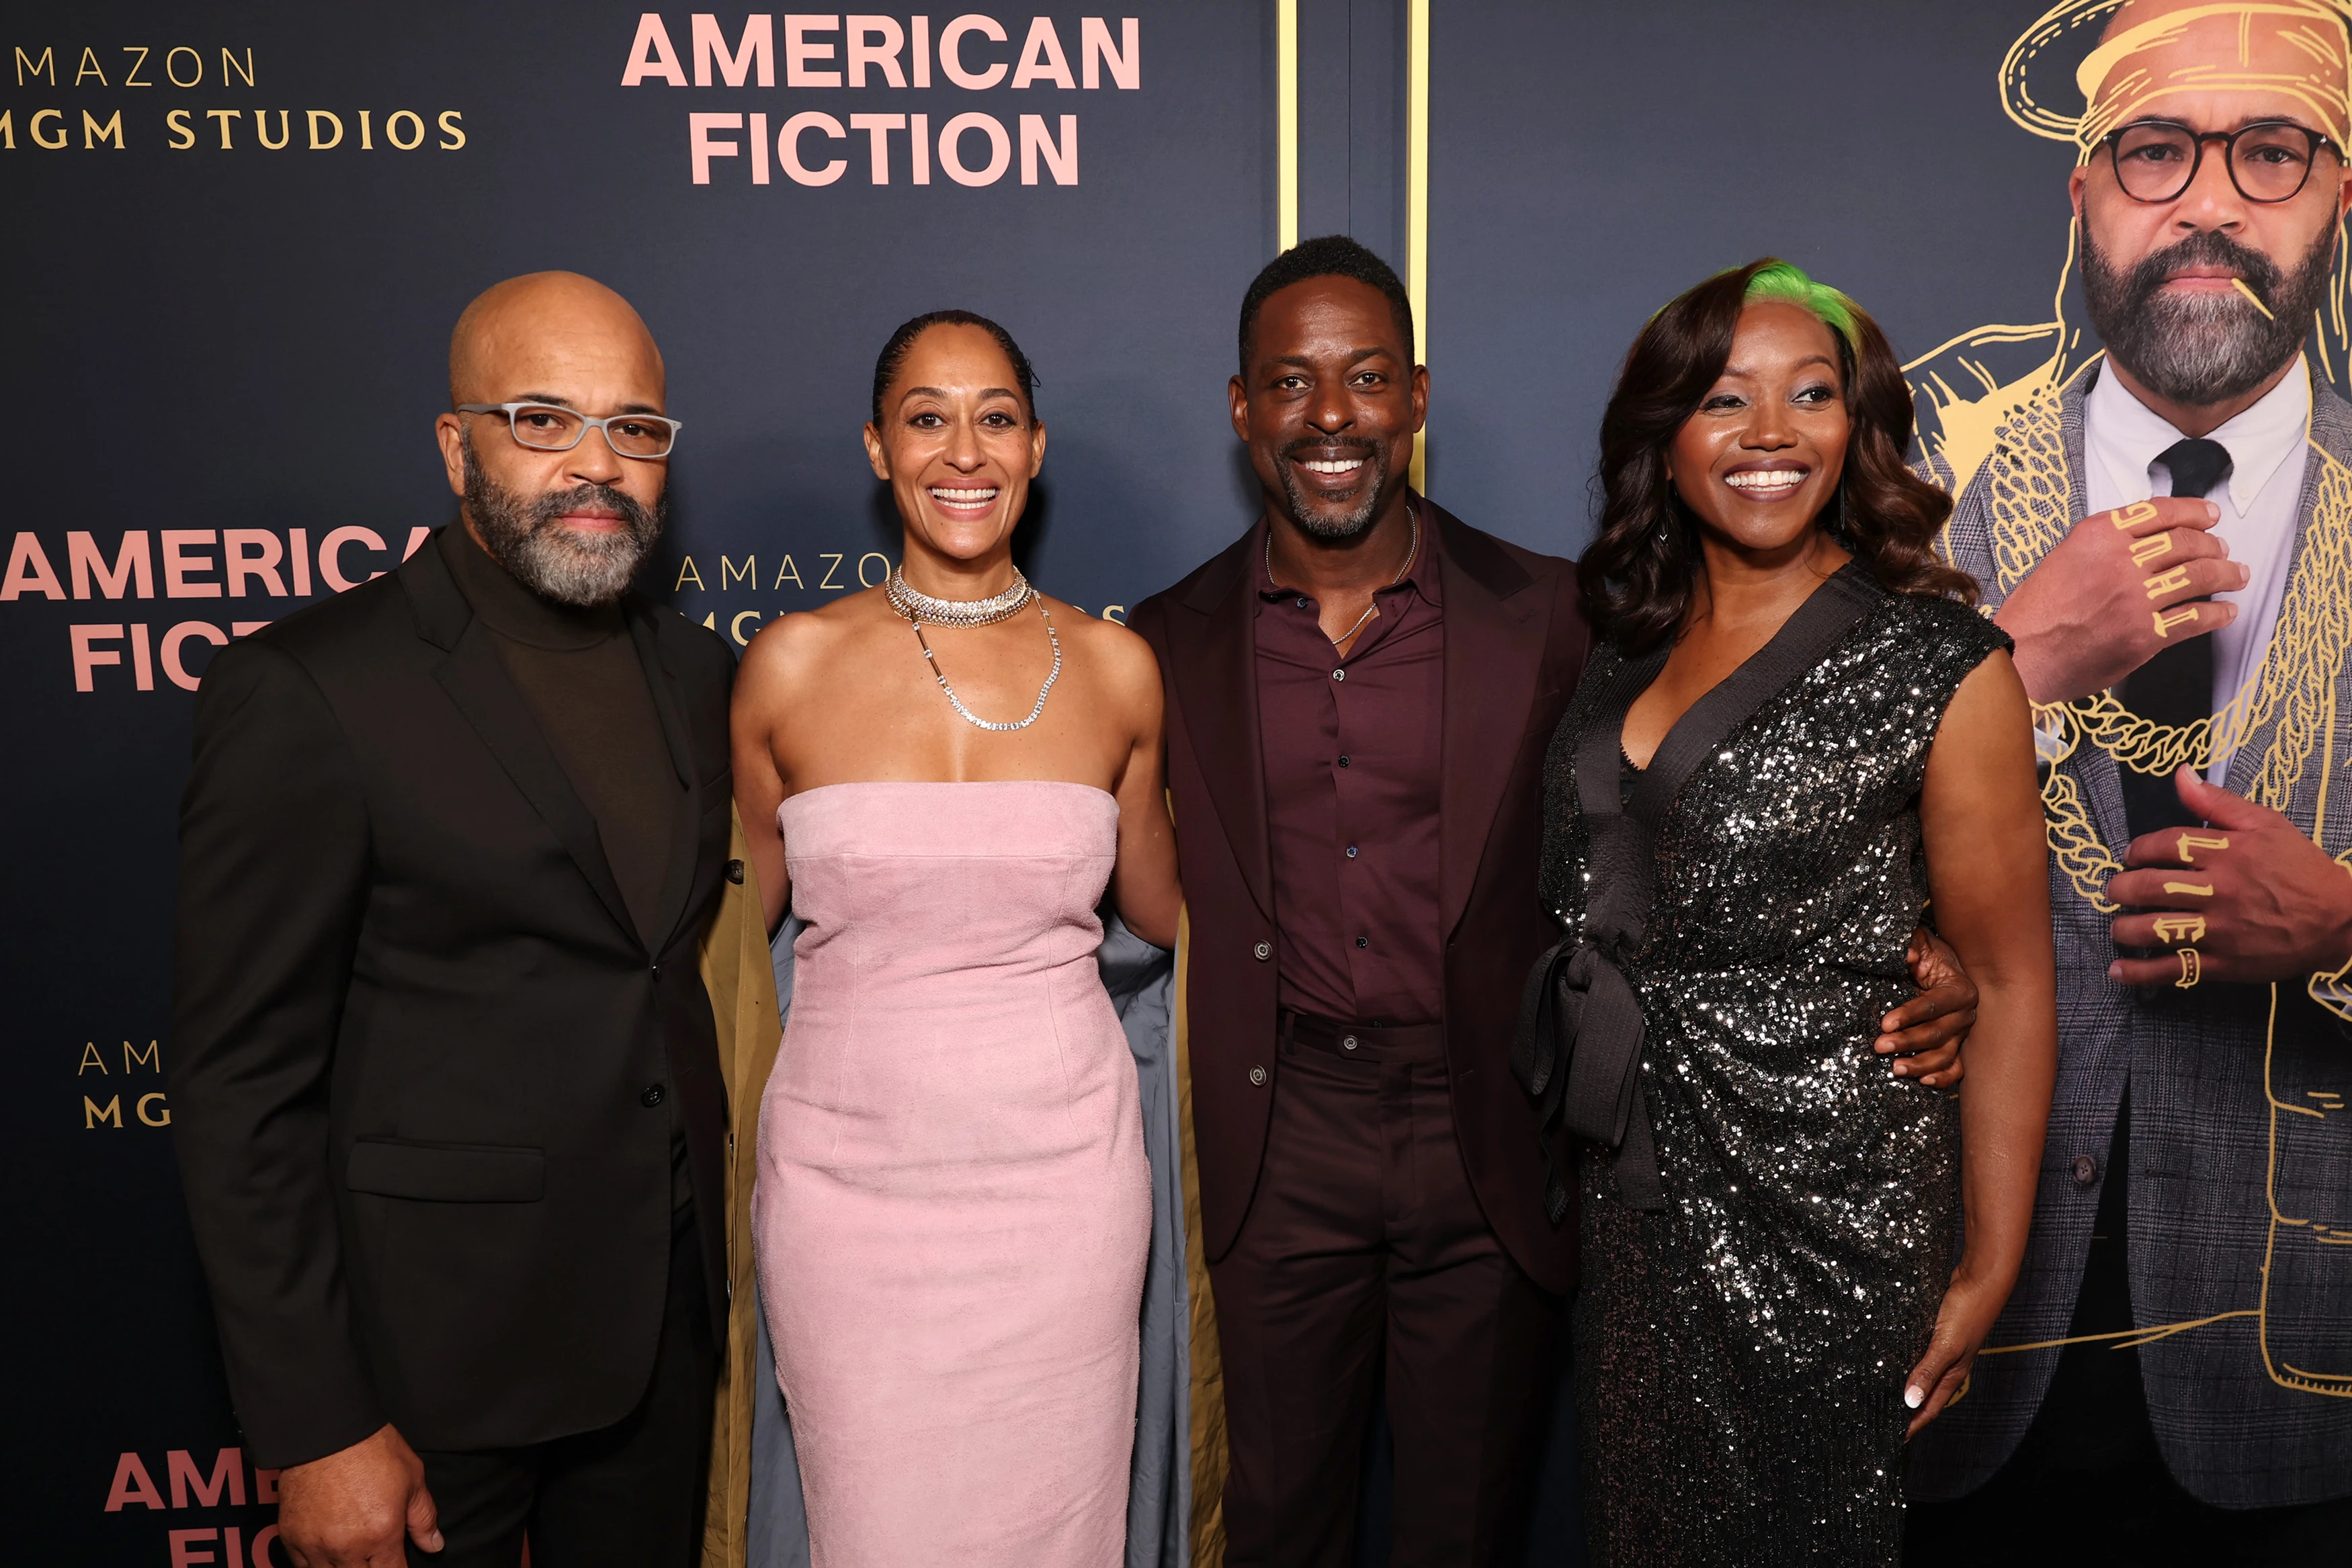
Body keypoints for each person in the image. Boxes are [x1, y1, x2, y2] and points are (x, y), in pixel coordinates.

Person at [1125, 236, 1984, 1568]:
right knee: (1275, 1532)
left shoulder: (1559, 619)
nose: (1330, 414)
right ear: (1242, 410)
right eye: (1290, 383)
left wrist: (1909, 940)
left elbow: (1694, 803)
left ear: (1413, 396)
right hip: (1277, 1145)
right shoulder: (1158, 643)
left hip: (1498, 1144)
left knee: (1468, 1532)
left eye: (1362, 379)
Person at [173, 271, 756, 1567]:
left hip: (665, 1354)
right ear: (455, 444)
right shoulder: (309, 690)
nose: (596, 465)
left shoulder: (704, 671)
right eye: (542, 419)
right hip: (429, 1380)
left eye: (636, 429)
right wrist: (316, 1427)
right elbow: (239, 1089)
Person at [1906, 3, 2352, 1558]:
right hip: (1953, 1345)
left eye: (2271, 153)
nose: (2210, 202)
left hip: (2304, 1366)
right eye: (2156, 152)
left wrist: (2348, 927)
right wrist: (2002, 670)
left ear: (2338, 195)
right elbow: (1726, 864)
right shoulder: (1896, 481)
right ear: (2080, 193)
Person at [1536, 259, 2058, 1565]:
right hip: (1637, 1219)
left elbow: (2009, 983)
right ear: (1665, 436)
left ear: (1857, 427)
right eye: (1725, 399)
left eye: (1810, 396)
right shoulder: (1617, 650)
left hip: (1833, 1221)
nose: (1771, 433)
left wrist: (1988, 1272)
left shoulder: (1944, 667)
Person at [732, 308, 1181, 1567]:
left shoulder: (1116, 670)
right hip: (845, 1195)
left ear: (1036, 447)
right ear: (879, 448)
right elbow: (724, 943)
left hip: (1063, 1192)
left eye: (995, 418)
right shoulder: (789, 666)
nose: (963, 451)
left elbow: (1167, 911)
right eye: (928, 418)